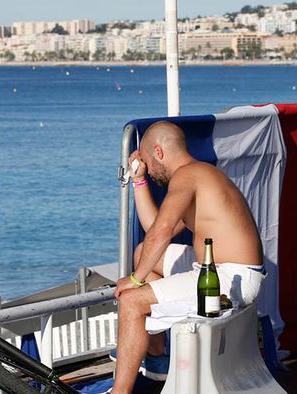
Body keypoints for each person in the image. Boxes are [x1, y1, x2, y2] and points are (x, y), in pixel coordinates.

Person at [111, 121, 265, 393]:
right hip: (224, 269)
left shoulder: (187, 176)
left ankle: (120, 392)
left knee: (131, 301)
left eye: (146, 160)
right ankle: (157, 358)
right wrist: (139, 179)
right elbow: (153, 229)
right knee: (142, 254)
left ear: (159, 152)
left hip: (229, 278)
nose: (146, 165)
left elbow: (161, 231)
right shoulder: (200, 174)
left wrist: (136, 281)